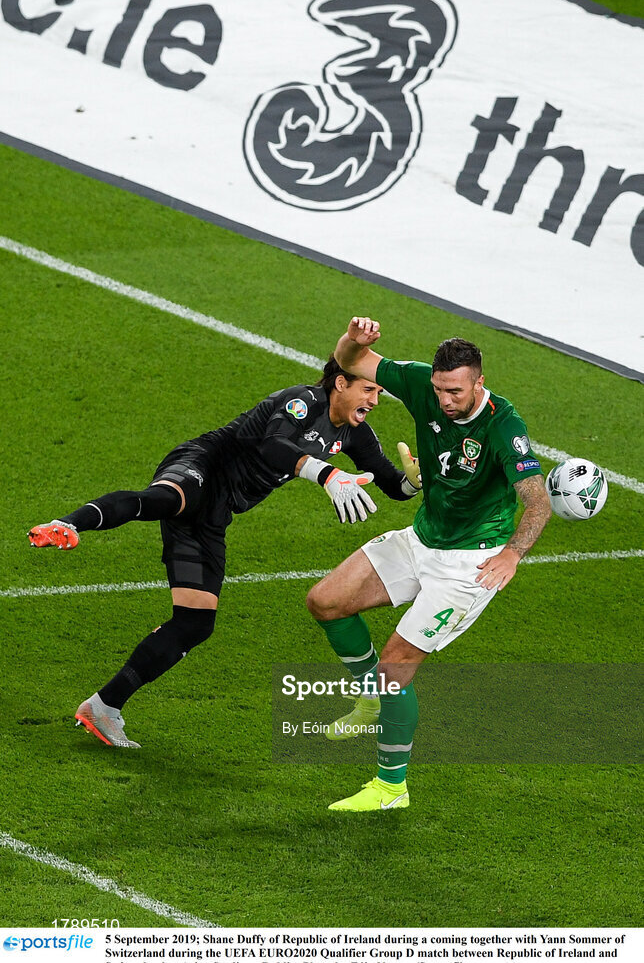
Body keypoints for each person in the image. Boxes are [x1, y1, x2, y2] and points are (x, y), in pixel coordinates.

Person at [28, 357, 420, 748]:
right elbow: (273, 445)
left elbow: (391, 483)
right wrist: (326, 473)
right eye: (368, 389)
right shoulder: (303, 401)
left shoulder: (355, 433)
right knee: (168, 499)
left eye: (378, 392)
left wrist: (414, 481)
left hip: (217, 511)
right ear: (340, 384)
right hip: (203, 464)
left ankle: (103, 707)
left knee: (195, 623)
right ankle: (68, 524)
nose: (374, 400)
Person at [306, 317, 552, 812]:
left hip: (469, 566)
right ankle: (371, 700)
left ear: (479, 383)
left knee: (394, 669)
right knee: (326, 601)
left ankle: (391, 788)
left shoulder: (504, 426)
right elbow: (350, 362)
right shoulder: (421, 383)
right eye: (440, 390)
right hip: (422, 539)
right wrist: (353, 341)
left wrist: (512, 553)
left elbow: (537, 501)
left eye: (455, 391)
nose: (445, 400)